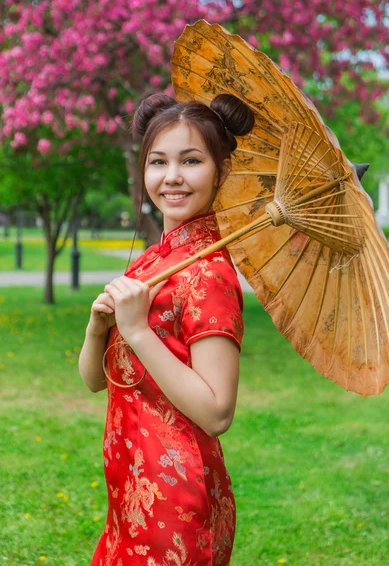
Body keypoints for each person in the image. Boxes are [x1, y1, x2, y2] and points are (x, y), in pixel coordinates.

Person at [79, 92, 255, 565]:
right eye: (158, 161)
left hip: (176, 499)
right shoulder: (154, 262)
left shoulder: (208, 275)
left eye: (191, 160)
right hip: (132, 483)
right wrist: (100, 329)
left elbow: (217, 412)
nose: (172, 176)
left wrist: (138, 332)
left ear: (222, 171)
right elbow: (97, 381)